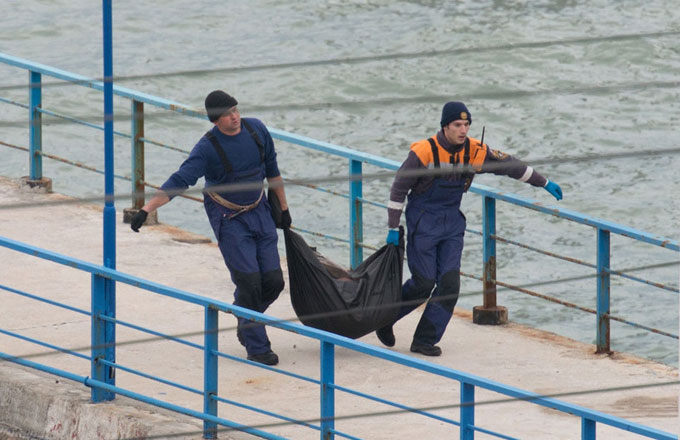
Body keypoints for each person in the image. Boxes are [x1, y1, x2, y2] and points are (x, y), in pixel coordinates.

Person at [378, 101, 563, 357]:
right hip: (423, 222)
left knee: (450, 284)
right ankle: (384, 319)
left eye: (466, 124)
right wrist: (392, 226)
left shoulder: (475, 151)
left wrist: (544, 182)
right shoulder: (424, 152)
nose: (463, 130)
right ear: (445, 127)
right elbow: (399, 188)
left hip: (452, 225)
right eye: (457, 125)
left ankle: (424, 340)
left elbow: (510, 166)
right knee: (423, 282)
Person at [130, 90, 291, 366]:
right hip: (229, 217)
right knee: (249, 282)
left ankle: (244, 317)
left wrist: (284, 209)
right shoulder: (207, 148)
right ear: (215, 120)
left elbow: (273, 172)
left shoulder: (257, 130)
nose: (235, 117)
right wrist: (146, 209)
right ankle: (258, 347)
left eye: (236, 110)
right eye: (227, 114)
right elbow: (179, 181)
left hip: (260, 209)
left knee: (274, 281)